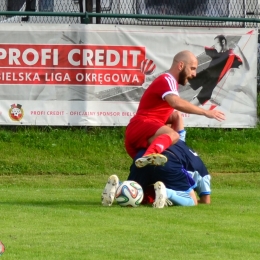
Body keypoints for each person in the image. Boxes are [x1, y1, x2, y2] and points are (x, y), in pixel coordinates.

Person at [124, 50, 225, 168]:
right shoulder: (168, 79)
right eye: (192, 68)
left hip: (137, 134)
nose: (194, 74)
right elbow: (175, 102)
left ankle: (121, 186)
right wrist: (205, 112)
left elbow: (174, 114)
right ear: (181, 65)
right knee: (173, 135)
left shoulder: (169, 82)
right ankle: (150, 155)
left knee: (147, 177)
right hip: (141, 127)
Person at [101, 139, 211, 208]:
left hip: (143, 156)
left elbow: (178, 121)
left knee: (133, 188)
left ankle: (118, 186)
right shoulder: (203, 172)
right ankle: (167, 193)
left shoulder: (176, 139)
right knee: (192, 200)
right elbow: (206, 201)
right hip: (167, 161)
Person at [188, 34, 250, 108]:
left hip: (212, 86)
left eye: (216, 44)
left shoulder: (232, 57)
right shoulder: (216, 52)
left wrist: (240, 52)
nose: (215, 46)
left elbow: (246, 69)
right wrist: (188, 44)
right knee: (182, 80)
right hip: (205, 76)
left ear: (223, 42)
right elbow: (202, 48)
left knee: (191, 106)